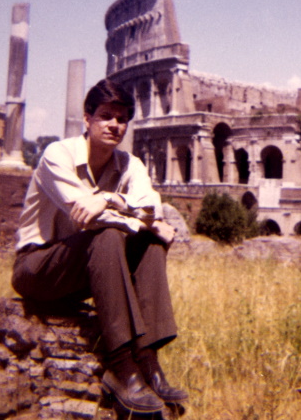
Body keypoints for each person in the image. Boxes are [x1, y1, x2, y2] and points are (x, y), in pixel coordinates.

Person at [12, 78, 187, 413]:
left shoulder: (130, 165)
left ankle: (148, 360)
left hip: (85, 271)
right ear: (87, 118)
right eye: (106, 116)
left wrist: (110, 199)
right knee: (108, 235)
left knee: (148, 242)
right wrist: (141, 219)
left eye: (121, 119)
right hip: (38, 269)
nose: (114, 125)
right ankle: (120, 367)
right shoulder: (57, 155)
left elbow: (153, 209)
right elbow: (89, 220)